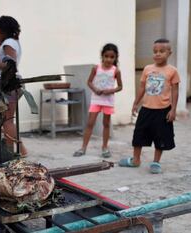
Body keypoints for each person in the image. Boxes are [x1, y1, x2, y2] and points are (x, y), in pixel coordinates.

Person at [119, 39, 179, 174]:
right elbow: (142, 87)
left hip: (163, 110)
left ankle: (156, 162)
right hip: (146, 109)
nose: (157, 54)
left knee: (161, 137)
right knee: (138, 134)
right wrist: (136, 102)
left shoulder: (172, 71)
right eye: (155, 51)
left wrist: (173, 109)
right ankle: (135, 160)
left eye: (161, 51)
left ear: (169, 53)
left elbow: (175, 91)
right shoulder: (147, 69)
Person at [73, 43, 123, 158]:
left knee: (106, 124)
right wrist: (95, 89)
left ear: (115, 58)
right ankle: (83, 148)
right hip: (96, 100)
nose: (109, 59)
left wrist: (110, 91)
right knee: (90, 123)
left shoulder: (116, 71)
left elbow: (120, 86)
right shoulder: (96, 68)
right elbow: (89, 82)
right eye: (106, 56)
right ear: (102, 56)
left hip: (108, 101)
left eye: (112, 57)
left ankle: (105, 147)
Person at [0, 16, 27, 157]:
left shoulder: (8, 43)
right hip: (10, 85)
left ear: (0, 29)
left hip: (9, 84)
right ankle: (21, 150)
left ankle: (9, 153)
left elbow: (10, 66)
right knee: (6, 119)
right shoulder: (11, 42)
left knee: (7, 120)